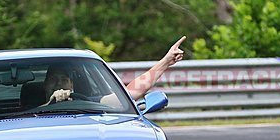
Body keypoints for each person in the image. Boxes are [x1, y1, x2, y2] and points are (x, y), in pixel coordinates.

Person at [42, 36, 186, 106]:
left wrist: (165, 62)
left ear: (72, 85)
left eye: (64, 80)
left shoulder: (96, 105)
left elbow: (132, 93)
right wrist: (50, 104)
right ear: (44, 84)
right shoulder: (23, 113)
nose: (59, 84)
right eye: (54, 80)